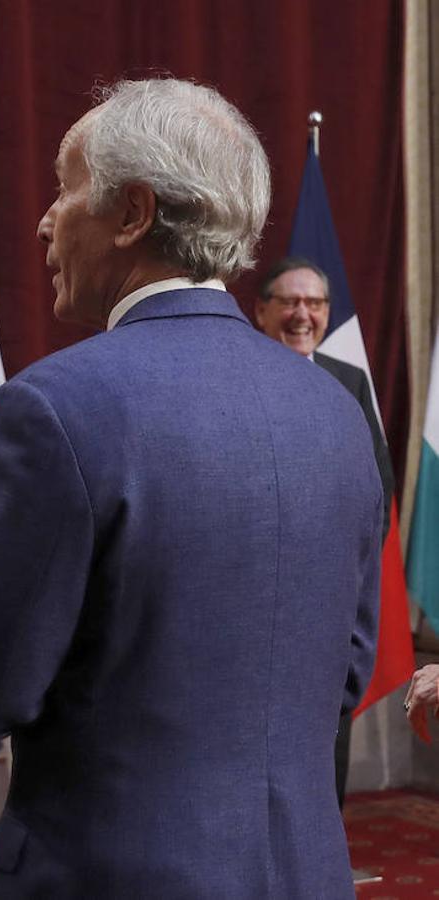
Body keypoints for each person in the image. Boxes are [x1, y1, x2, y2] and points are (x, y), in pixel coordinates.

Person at [0, 79, 383, 897]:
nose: (45, 221)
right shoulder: (338, 412)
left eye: (65, 190)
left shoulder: (54, 409)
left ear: (132, 212)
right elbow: (346, 673)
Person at [255, 255, 396, 808]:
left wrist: (347, 571)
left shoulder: (349, 381)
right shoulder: (239, 376)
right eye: (289, 302)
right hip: (254, 594)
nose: (302, 314)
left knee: (326, 730)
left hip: (329, 599)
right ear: (261, 311)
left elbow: (376, 488)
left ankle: (321, 840)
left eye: (314, 303)